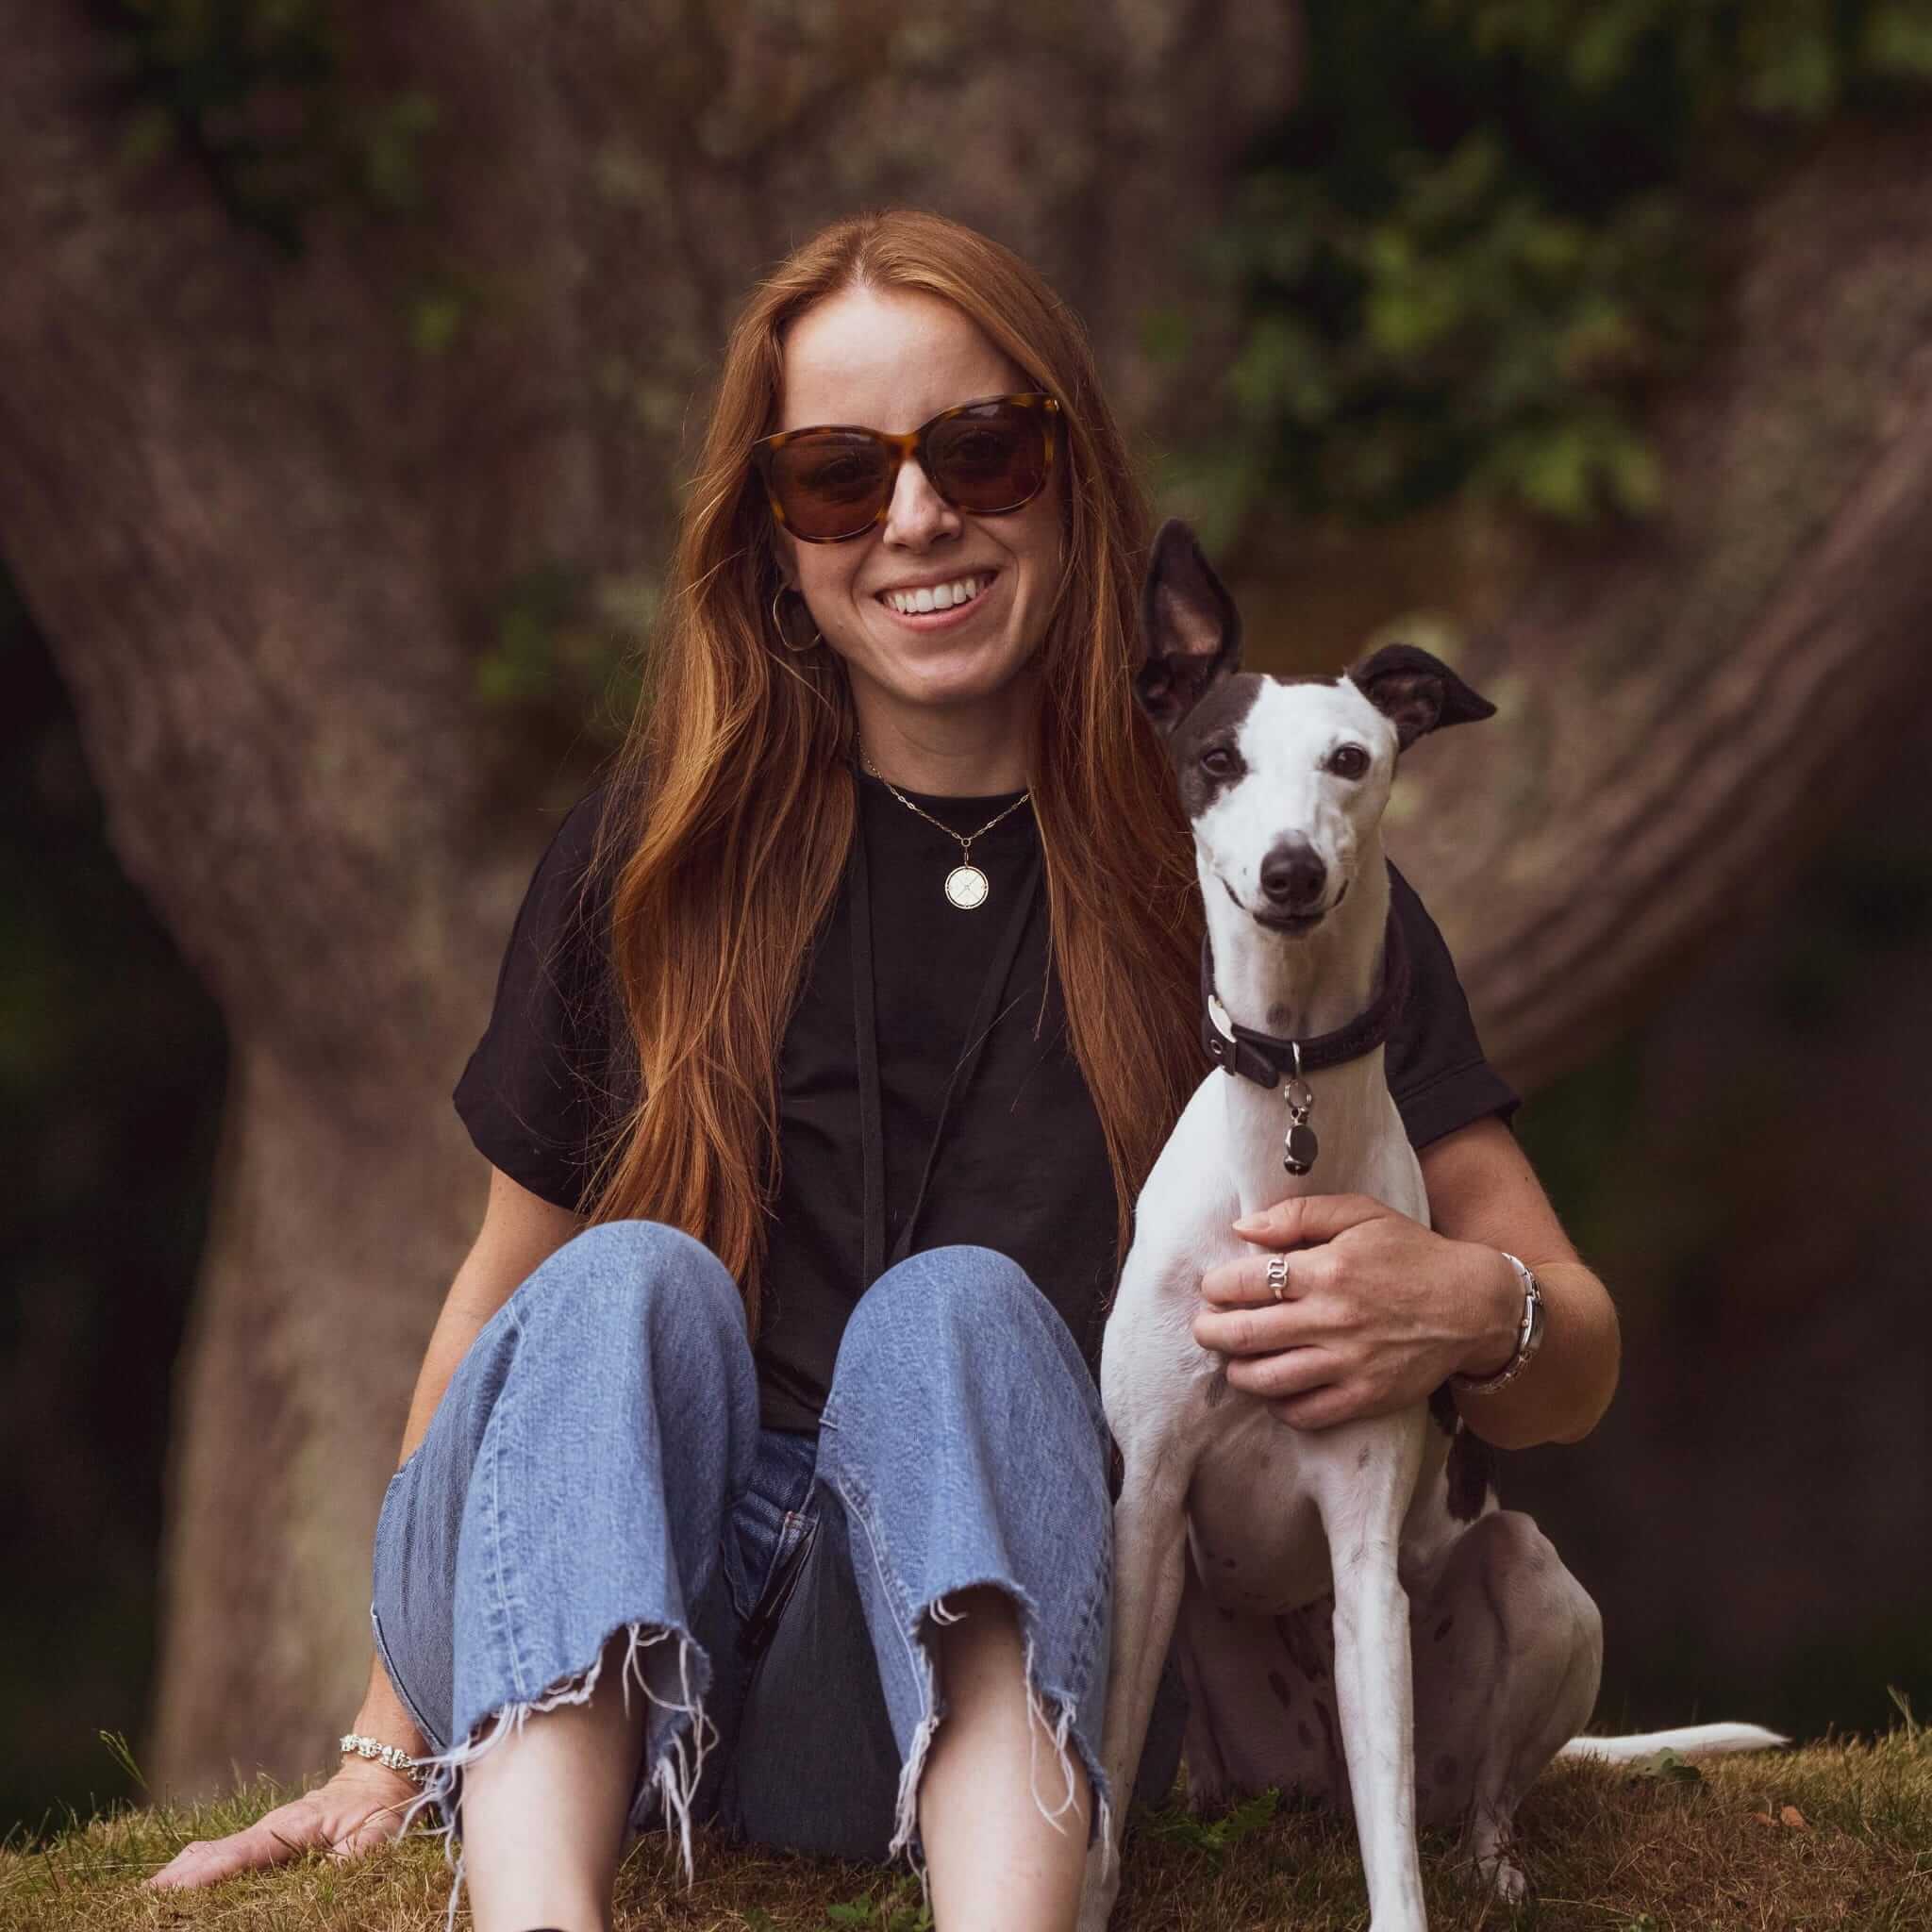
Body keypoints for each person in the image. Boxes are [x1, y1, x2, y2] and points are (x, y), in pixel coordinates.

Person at [150, 208, 1619, 1932]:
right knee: (623, 1281)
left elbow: (1575, 1352)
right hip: (628, 1600)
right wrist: (378, 1749)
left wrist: (1474, 1309)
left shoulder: (1268, 867)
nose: (917, 518)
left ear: (1069, 482)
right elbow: (501, 1307)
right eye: (840, 478)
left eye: (980, 451)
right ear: (773, 539)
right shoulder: (653, 856)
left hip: (926, 1662)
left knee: (963, 1316)